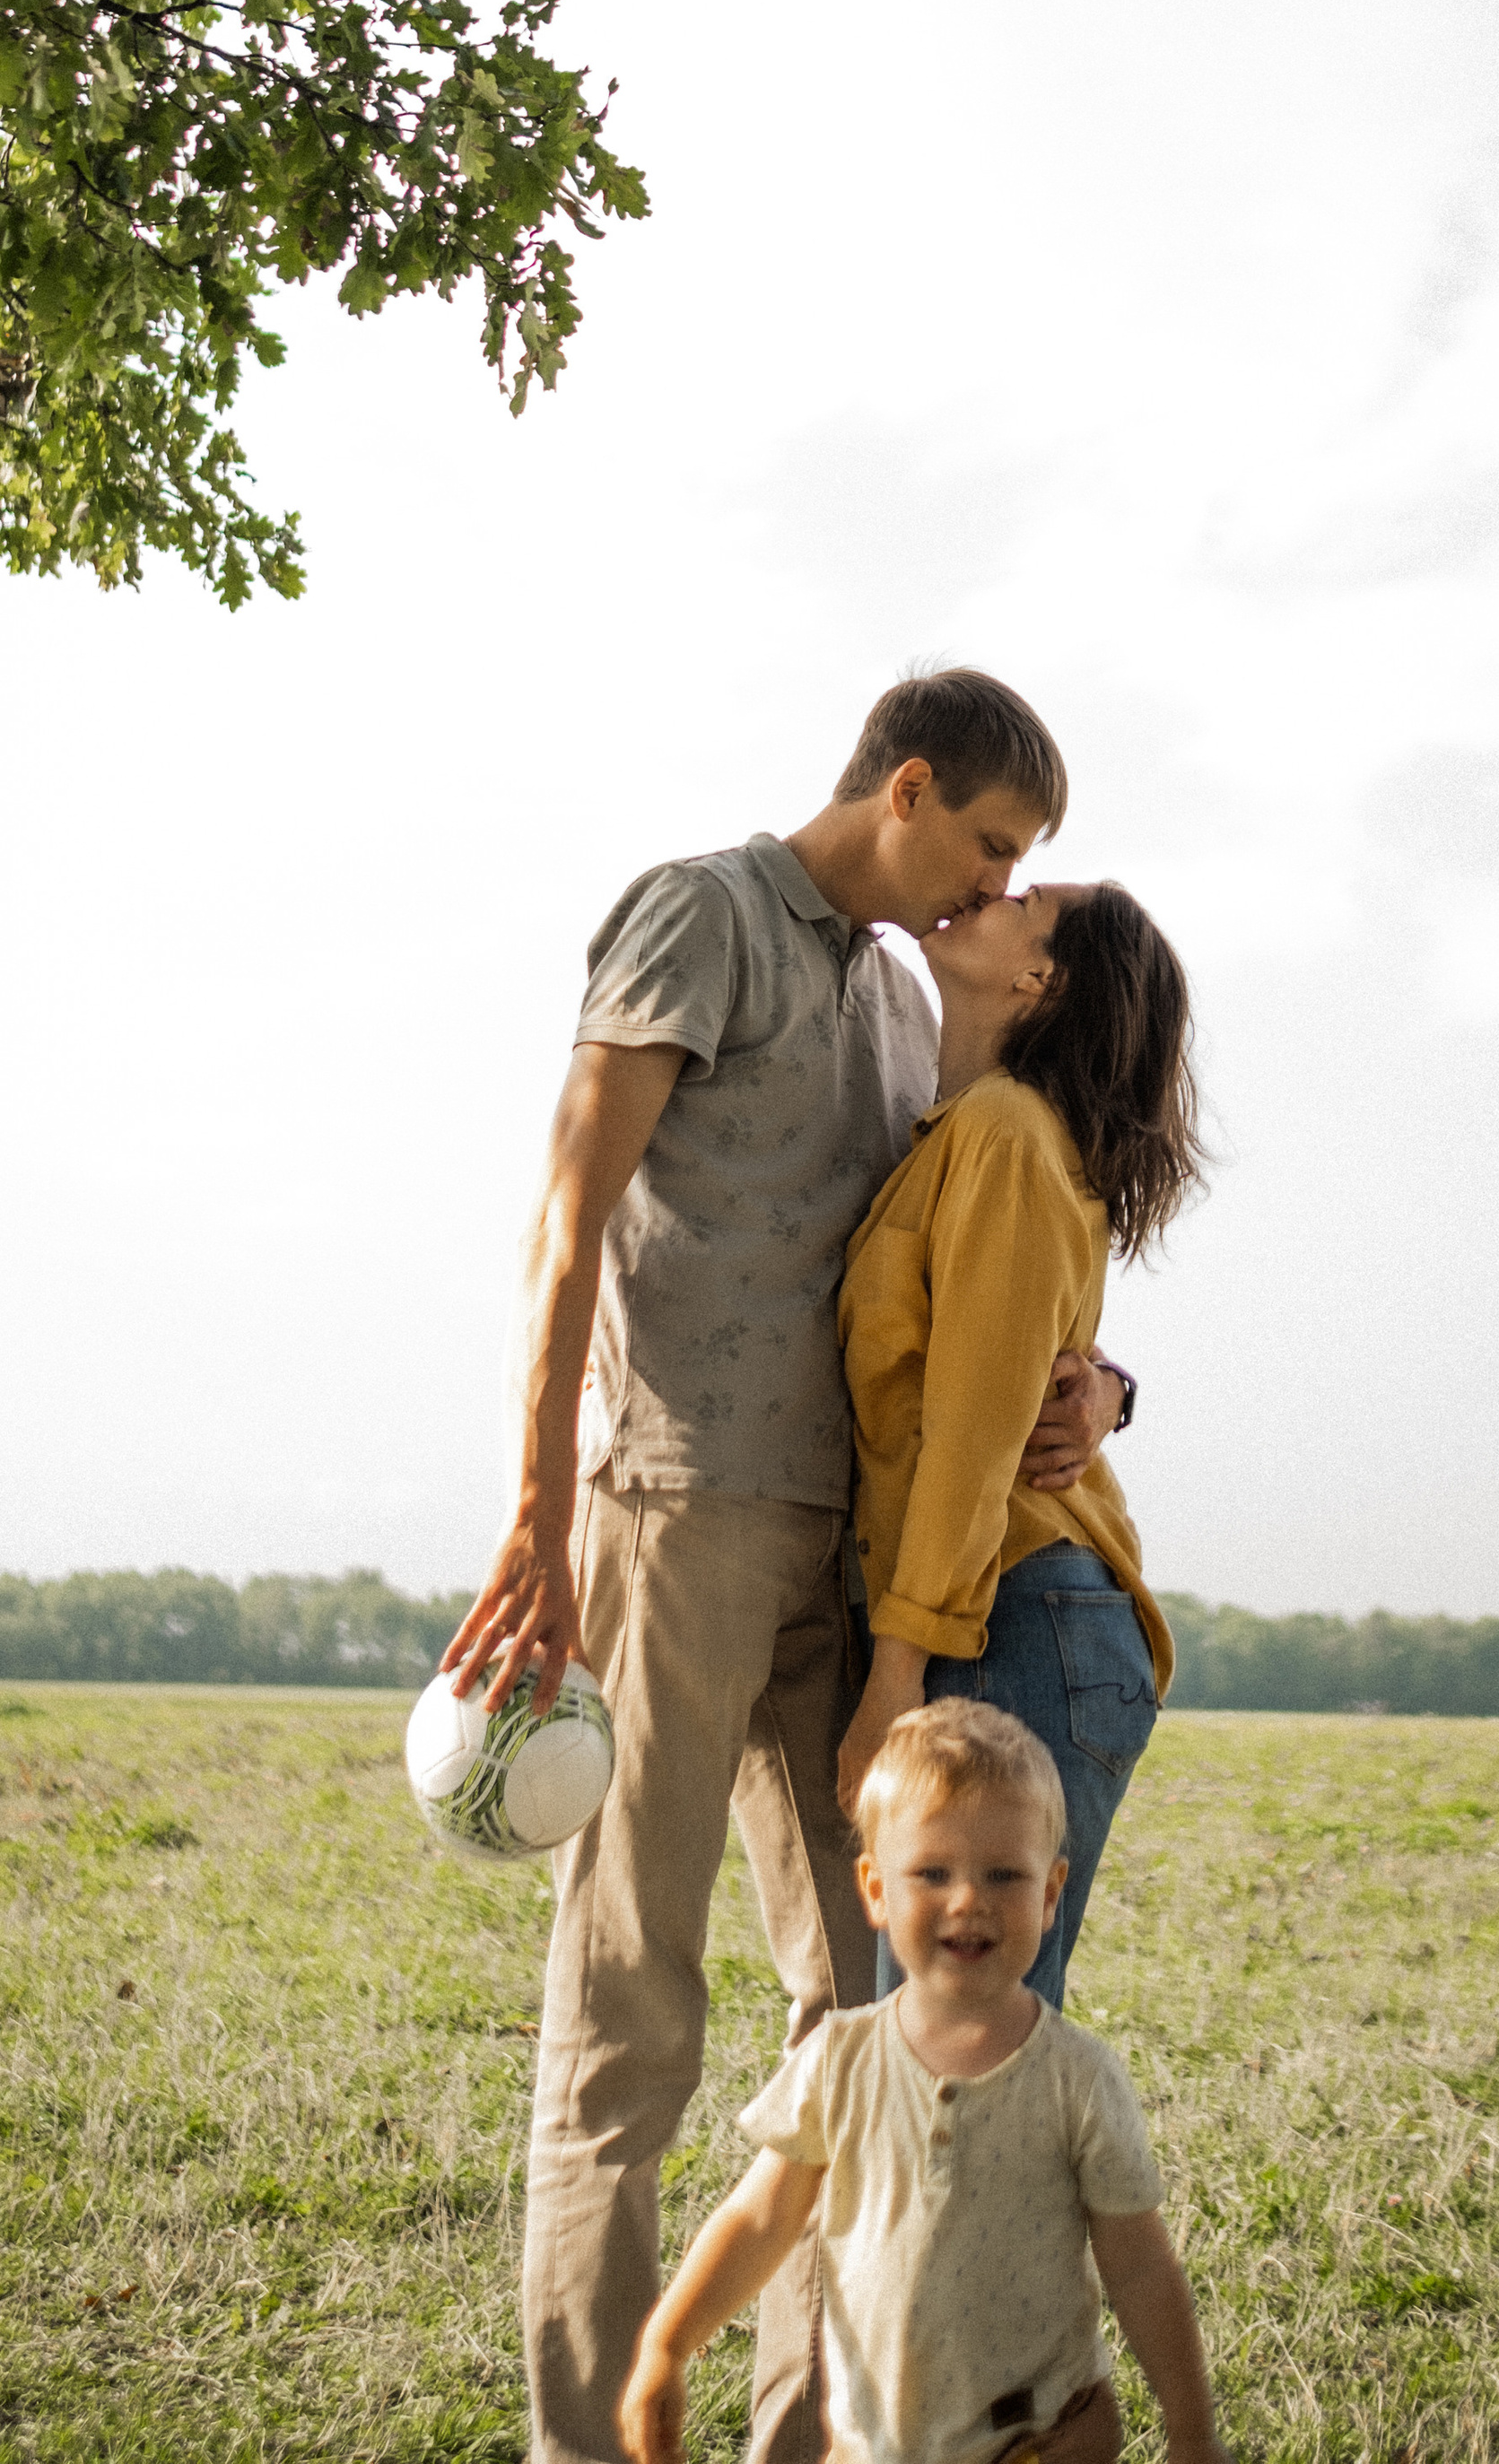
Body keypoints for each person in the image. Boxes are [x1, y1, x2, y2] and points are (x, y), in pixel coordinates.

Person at [440, 672, 1134, 2464]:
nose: (989, 890)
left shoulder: (903, 1004)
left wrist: (1103, 1377)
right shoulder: (700, 914)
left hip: (843, 1572)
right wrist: (536, 1508)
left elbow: (953, 1260)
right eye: (983, 845)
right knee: (626, 2026)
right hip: (666, 1512)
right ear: (904, 788)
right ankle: (586, 2443)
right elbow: (567, 1211)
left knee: (869, 2017)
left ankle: (803, 2441)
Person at [618, 1699, 1231, 2464]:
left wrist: (1194, 2433)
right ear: (875, 1889)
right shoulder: (839, 2061)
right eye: (932, 1873)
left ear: (1050, 1895)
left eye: (1004, 1874)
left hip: (1037, 2441)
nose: (968, 1899)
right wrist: (667, 2346)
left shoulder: (1076, 2078)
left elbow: (1140, 2267)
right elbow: (759, 2221)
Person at [834, 882, 1204, 2007]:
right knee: (957, 2037)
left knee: (971, 2040)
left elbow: (972, 1436)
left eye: (1026, 898)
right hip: (1007, 1619)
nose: (994, 890)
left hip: (1010, 1625)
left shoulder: (1002, 1136)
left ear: (1039, 980)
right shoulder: (968, 1127)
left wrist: (894, 1671)